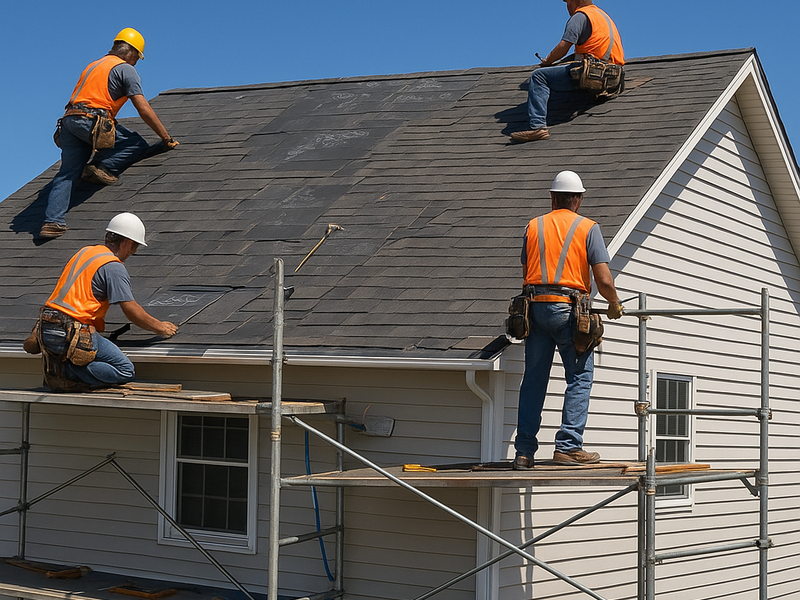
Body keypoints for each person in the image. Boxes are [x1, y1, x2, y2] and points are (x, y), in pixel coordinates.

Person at [513, 171, 623, 469]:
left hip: (534, 308)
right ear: (578, 199)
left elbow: (526, 273)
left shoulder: (533, 226)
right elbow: (603, 279)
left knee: (534, 381)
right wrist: (613, 303)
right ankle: (568, 446)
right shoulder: (588, 227)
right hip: (568, 310)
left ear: (552, 197)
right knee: (579, 377)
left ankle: (524, 453)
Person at [39, 28, 179, 239]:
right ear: (131, 52)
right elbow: (142, 107)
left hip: (69, 122)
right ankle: (101, 167)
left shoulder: (93, 65)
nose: (136, 63)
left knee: (68, 173)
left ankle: (53, 222)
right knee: (136, 144)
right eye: (137, 58)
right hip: (91, 121)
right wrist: (165, 137)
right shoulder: (125, 69)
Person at [30, 213, 178, 391]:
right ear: (128, 242)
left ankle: (61, 365)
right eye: (134, 247)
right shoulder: (113, 266)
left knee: (93, 355)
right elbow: (131, 309)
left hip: (47, 327)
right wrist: (160, 327)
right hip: (73, 331)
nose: (132, 252)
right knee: (125, 370)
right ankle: (68, 371)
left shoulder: (85, 252)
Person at [510, 0, 624, 143]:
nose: (567, 6)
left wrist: (548, 62)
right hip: (613, 77)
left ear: (573, 1)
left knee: (538, 77)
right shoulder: (602, 16)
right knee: (570, 67)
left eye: (567, 2)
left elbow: (564, 46)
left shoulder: (580, 16)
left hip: (593, 72)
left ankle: (538, 127)